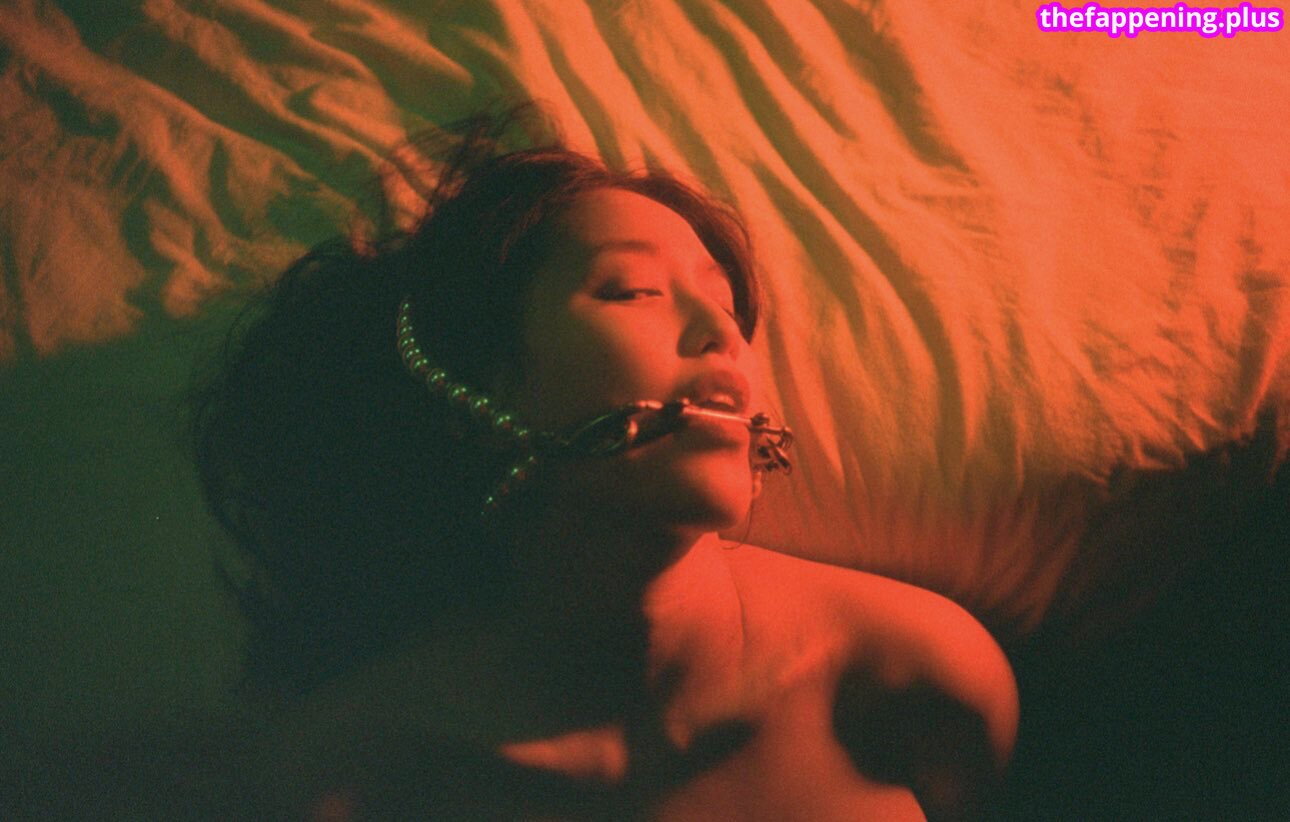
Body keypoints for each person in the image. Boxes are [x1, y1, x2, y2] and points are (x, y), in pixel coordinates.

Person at [193, 112, 1017, 820]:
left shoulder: (917, 677)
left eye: (727, 303)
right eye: (632, 291)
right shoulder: (356, 777)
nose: (722, 334)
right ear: (473, 391)